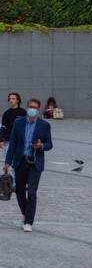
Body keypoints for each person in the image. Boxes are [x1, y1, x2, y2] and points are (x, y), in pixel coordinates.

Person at [3, 99, 53, 231]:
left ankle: (29, 222)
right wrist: (7, 162)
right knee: (19, 191)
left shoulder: (44, 125)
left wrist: (41, 145)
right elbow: (13, 144)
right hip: (20, 161)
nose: (32, 109)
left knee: (31, 192)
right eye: (30, 107)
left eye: (35, 107)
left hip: (35, 162)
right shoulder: (18, 123)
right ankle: (26, 214)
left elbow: (49, 144)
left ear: (38, 109)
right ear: (27, 107)